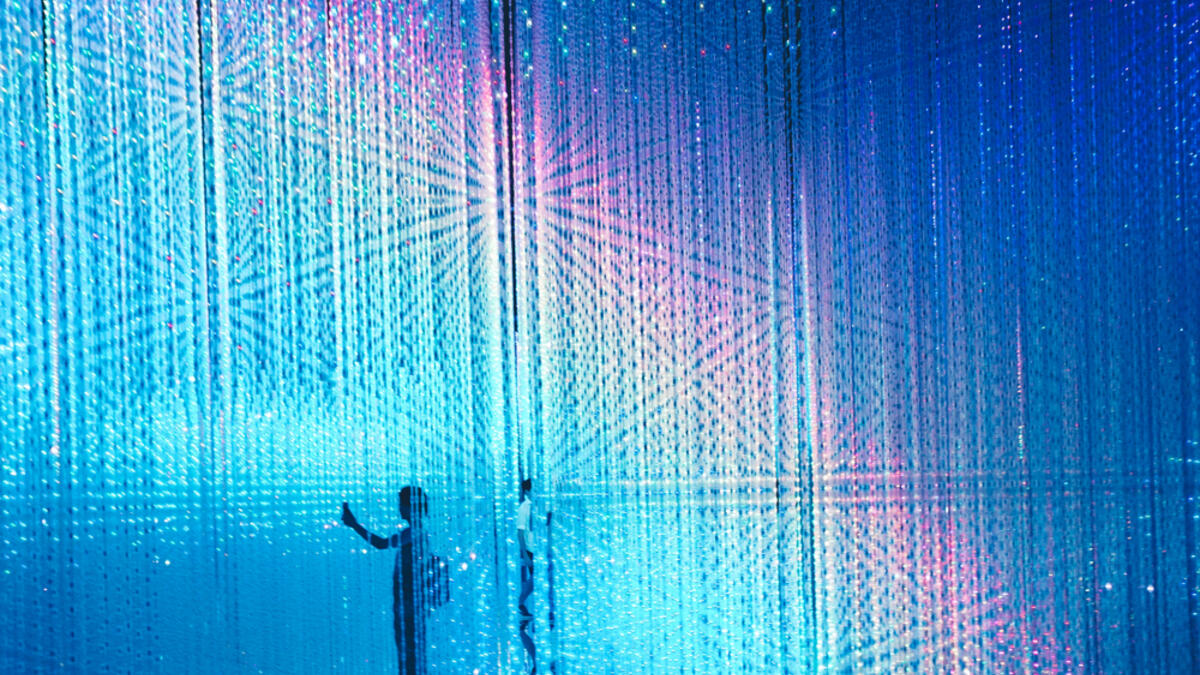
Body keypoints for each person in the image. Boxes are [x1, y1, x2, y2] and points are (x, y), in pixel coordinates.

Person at [342, 486, 431, 675]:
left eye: (401, 504)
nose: (398, 508)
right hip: (409, 604)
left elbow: (381, 544)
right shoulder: (417, 532)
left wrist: (354, 525)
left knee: (409, 650)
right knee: (409, 650)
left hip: (410, 605)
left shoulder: (414, 532)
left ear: (410, 507)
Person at [517, 478, 536, 673]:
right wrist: (524, 555)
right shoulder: (524, 508)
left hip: (537, 548)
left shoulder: (536, 505)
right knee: (536, 579)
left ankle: (521, 602)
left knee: (537, 580)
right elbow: (520, 532)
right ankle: (520, 601)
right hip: (531, 549)